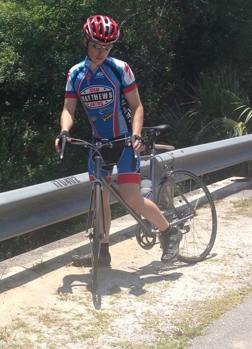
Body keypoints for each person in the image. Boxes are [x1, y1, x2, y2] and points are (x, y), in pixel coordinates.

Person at [54, 14, 180, 266]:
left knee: (131, 197)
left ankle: (169, 232)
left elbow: (136, 105)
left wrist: (136, 134)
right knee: (100, 199)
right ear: (85, 42)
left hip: (124, 142)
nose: (102, 52)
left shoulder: (119, 68)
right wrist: (64, 132)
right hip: (98, 144)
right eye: (97, 46)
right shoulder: (75, 73)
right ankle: (101, 253)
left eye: (108, 47)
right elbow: (69, 108)